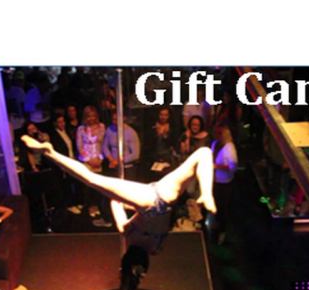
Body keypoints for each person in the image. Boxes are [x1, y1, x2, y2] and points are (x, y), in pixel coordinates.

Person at [21, 134, 216, 255]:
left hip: (165, 199)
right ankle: (49, 152)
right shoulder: (126, 232)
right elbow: (115, 201)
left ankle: (206, 194)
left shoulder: (156, 248)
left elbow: (123, 204)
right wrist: (126, 200)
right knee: (91, 180)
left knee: (203, 153)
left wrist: (127, 201)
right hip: (146, 199)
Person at [76, 105, 106, 218]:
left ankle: (97, 205)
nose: (91, 118)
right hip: (87, 161)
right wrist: (89, 160)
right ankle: (89, 206)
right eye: (89, 116)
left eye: (93, 116)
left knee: (98, 186)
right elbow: (80, 146)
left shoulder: (101, 127)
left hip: (99, 159)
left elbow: (103, 144)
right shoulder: (81, 129)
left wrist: (99, 159)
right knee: (88, 186)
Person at [211, 122, 238, 244]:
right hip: (215, 180)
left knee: (223, 208)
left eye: (219, 133)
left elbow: (233, 167)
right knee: (216, 205)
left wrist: (217, 166)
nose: (216, 135)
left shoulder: (230, 148)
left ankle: (222, 232)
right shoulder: (215, 144)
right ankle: (217, 225)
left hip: (225, 182)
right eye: (215, 132)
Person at [102, 111, 141, 181]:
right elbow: (105, 147)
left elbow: (135, 154)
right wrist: (111, 159)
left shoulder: (131, 132)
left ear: (123, 118)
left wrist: (118, 161)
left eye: (117, 119)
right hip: (114, 167)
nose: (115, 122)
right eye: (113, 119)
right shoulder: (109, 129)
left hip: (127, 168)